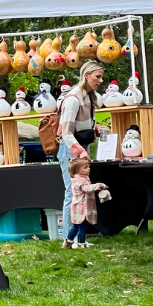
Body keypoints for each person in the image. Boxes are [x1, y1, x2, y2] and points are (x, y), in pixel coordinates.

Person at [57, 61, 105, 240]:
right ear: (86, 76)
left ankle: (78, 236)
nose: (100, 81)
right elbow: (66, 133)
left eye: (101, 77)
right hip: (70, 150)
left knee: (82, 192)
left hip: (82, 147)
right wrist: (80, 152)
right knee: (72, 192)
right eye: (97, 77)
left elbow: (82, 123)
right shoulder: (73, 99)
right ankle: (69, 239)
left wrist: (96, 128)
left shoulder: (88, 97)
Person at [66, 158, 109, 249]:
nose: (89, 168)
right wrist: (99, 185)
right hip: (81, 208)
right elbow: (87, 189)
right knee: (82, 227)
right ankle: (81, 244)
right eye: (86, 167)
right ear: (78, 170)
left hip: (77, 206)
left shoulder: (78, 178)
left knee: (75, 226)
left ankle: (68, 242)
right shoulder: (81, 181)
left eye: (88, 166)